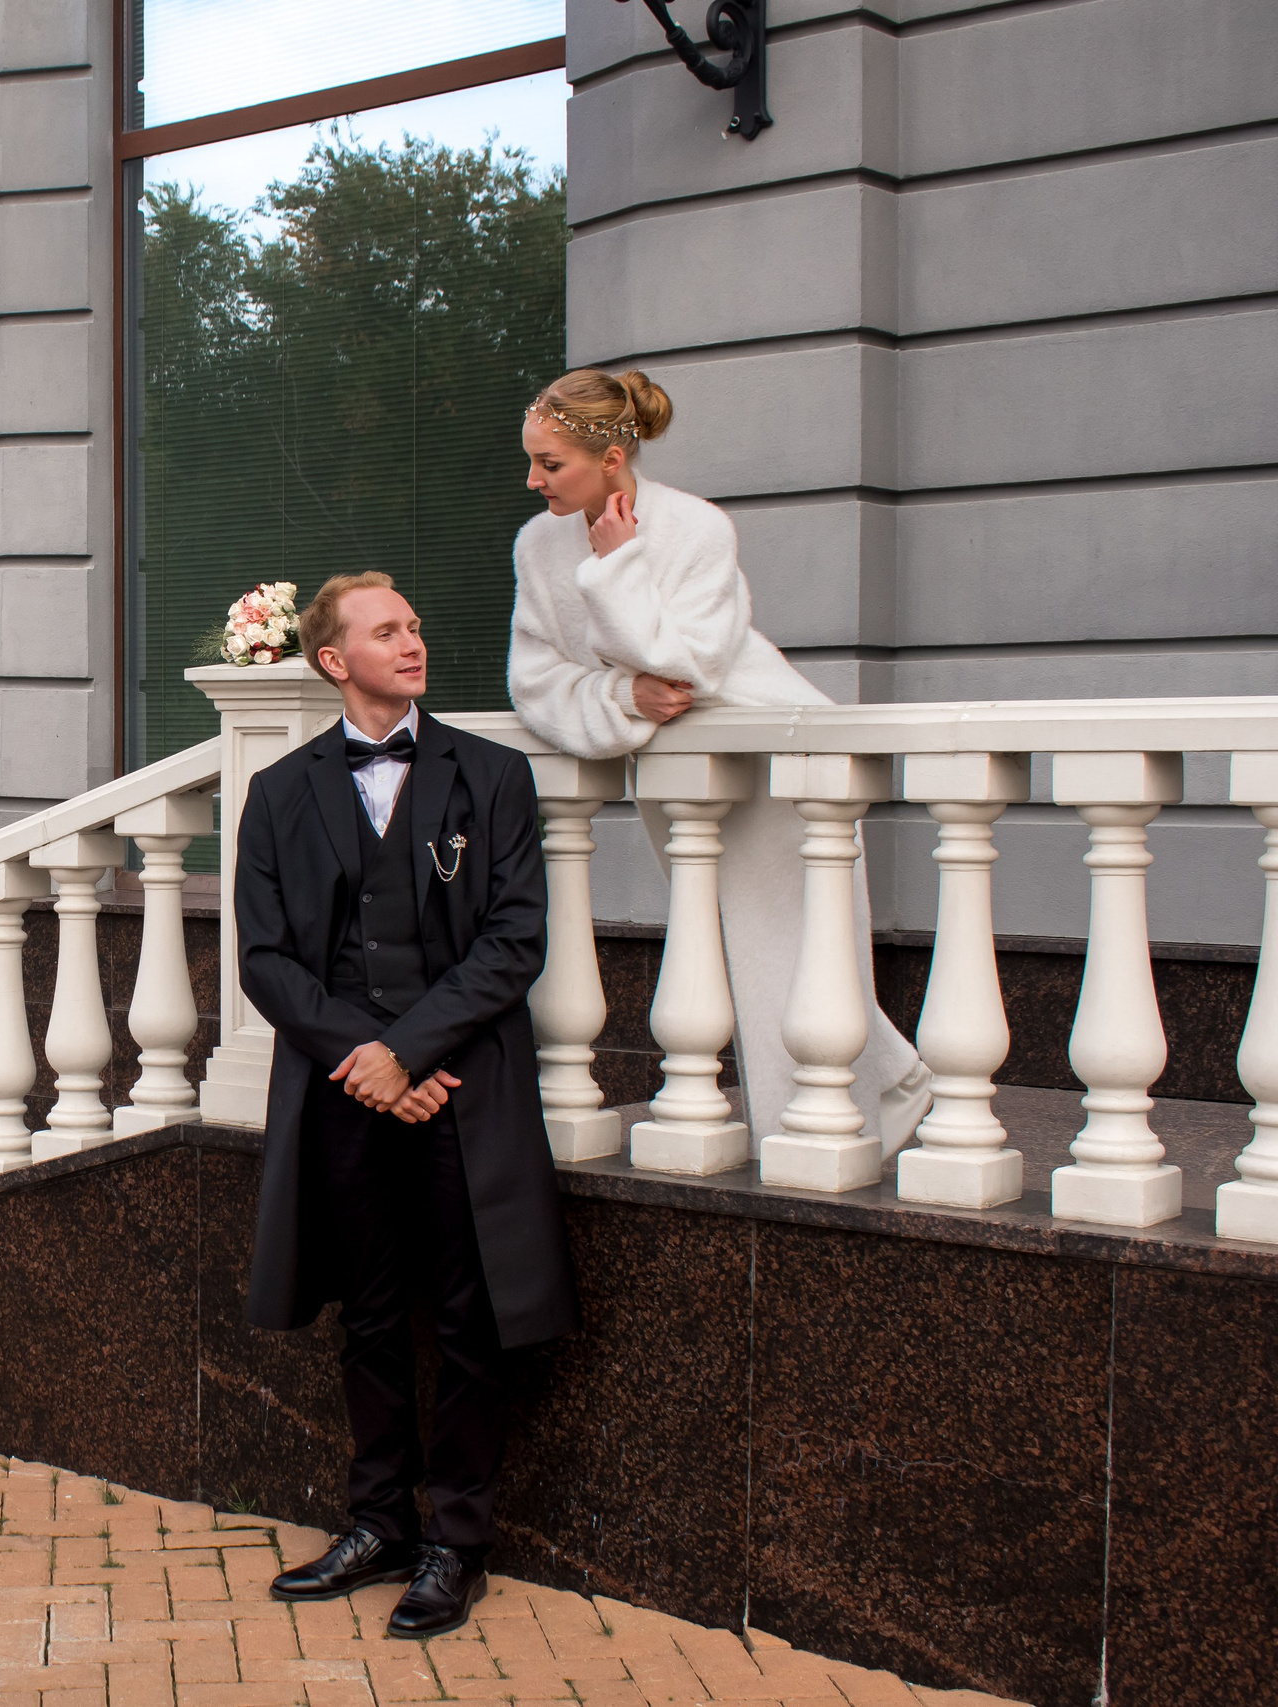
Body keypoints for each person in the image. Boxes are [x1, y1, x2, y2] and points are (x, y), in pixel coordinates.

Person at [235, 572, 577, 1640]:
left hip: (461, 1091)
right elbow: (265, 959)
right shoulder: (280, 791)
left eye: (417, 626)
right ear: (334, 659)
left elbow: (512, 941)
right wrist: (368, 1059)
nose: (414, 642)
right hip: (346, 1095)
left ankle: (456, 1543)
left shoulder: (492, 777)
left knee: (470, 1321)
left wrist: (412, 1051)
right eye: (388, 631)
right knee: (371, 1316)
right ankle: (376, 1523)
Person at [507, 366, 931, 1150]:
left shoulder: (696, 527)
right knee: (753, 942)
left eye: (550, 463)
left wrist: (615, 567)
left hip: (764, 755)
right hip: (675, 770)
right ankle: (895, 1082)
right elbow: (535, 682)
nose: (533, 480)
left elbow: (686, 665)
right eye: (531, 460)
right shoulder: (537, 546)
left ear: (612, 458)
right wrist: (621, 701)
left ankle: (816, 1132)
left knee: (785, 942)